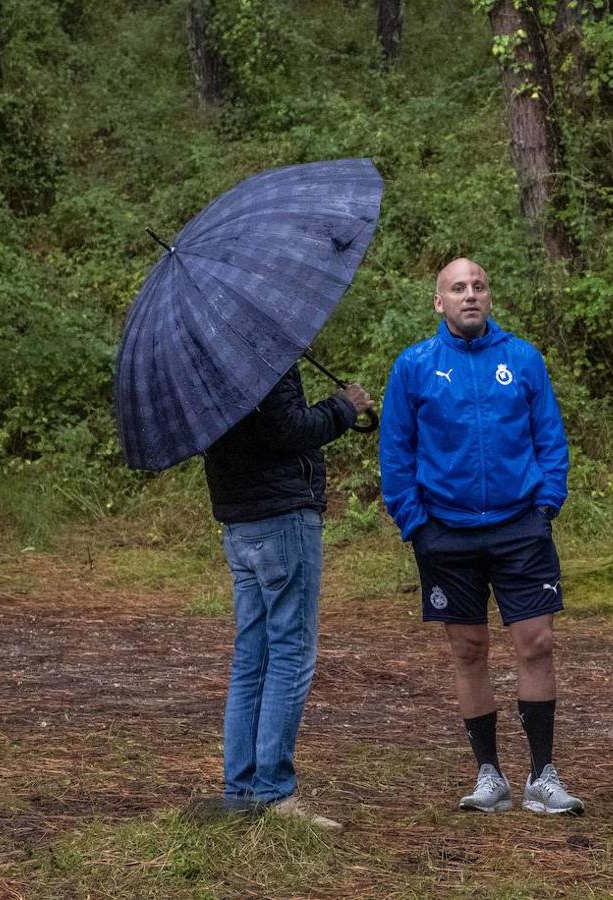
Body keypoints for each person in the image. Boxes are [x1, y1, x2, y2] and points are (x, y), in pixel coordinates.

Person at [379, 257, 584, 816]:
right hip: (445, 532)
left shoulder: (522, 359)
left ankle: (542, 775)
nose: (470, 295)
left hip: (521, 527)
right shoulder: (414, 367)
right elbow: (396, 452)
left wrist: (547, 504)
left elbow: (551, 439)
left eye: (479, 286)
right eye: (458, 288)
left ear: (489, 297)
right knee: (468, 650)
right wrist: (414, 523)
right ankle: (488, 774)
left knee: (536, 644)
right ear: (438, 302)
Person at [199, 364, 373, 828]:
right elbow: (287, 428)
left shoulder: (207, 359)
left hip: (239, 519)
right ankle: (274, 792)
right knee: (290, 654)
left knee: (252, 656)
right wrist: (344, 406)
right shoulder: (261, 352)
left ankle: (241, 791)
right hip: (280, 518)